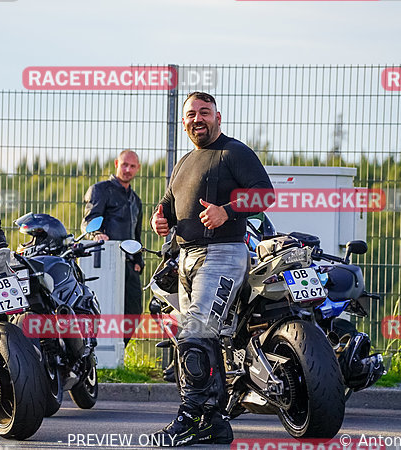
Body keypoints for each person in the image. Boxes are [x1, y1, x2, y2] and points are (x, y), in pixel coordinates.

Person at [150, 92, 273, 446]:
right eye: (191, 113)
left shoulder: (234, 152)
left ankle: (191, 419)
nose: (197, 118)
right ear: (184, 120)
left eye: (205, 112)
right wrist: (162, 215)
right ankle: (214, 421)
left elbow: (264, 194)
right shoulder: (186, 161)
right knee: (201, 340)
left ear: (218, 116)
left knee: (194, 335)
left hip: (222, 253)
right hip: (186, 259)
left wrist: (228, 211)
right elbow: (170, 200)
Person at [82, 150, 144, 346]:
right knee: (103, 309)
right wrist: (96, 234)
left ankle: (119, 350)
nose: (127, 169)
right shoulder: (100, 190)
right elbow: (89, 220)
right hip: (105, 261)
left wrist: (138, 261)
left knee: (134, 310)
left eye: (132, 166)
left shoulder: (136, 200)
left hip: (128, 262)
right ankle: (97, 353)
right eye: (124, 164)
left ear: (137, 169)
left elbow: (137, 233)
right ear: (117, 163)